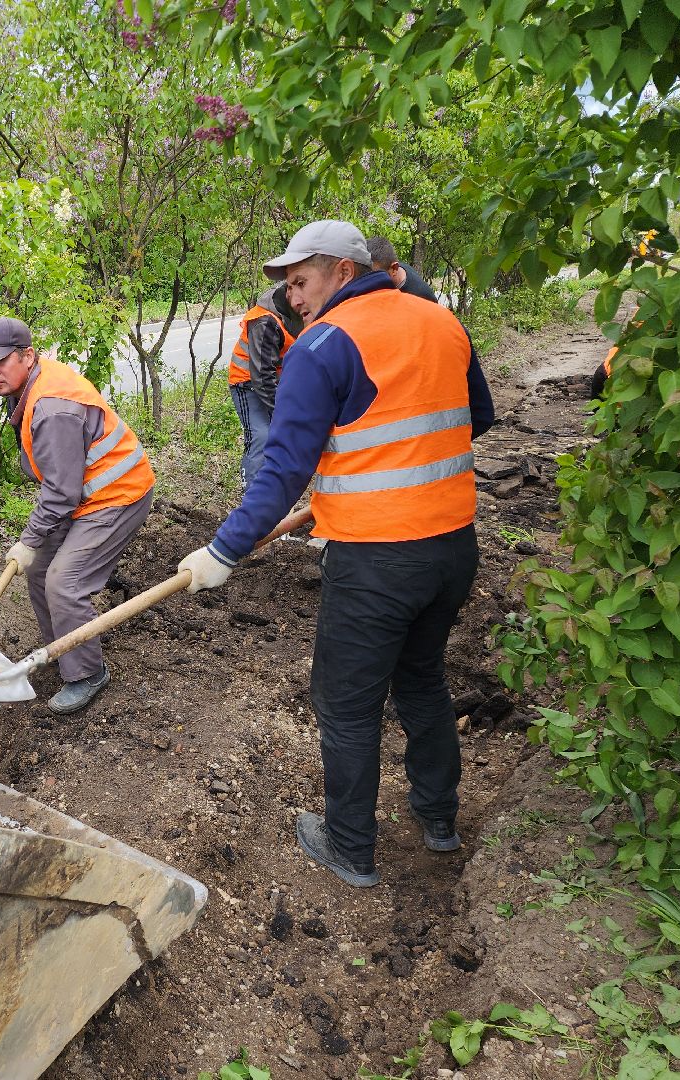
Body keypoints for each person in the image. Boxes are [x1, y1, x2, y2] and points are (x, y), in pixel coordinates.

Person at [177, 220, 495, 888]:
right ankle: (438, 819)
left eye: (300, 280)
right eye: (288, 286)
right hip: (453, 551)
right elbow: (475, 417)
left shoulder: (324, 345)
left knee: (347, 704)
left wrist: (224, 548)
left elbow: (282, 468)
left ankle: (350, 846)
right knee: (422, 679)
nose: (292, 297)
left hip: (378, 561)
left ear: (343, 273)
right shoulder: (442, 323)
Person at [0, 316, 155, 715]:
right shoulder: (31, 383)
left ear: (27, 356)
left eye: (0, 361)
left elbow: (60, 493)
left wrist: (28, 540)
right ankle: (64, 647)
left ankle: (87, 672)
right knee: (37, 570)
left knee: (63, 581)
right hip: (83, 495)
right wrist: (32, 548)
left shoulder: (53, 408)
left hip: (117, 496)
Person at [228, 284, 303, 486]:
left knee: (284, 433)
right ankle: (251, 493)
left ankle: (277, 486)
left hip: (277, 381)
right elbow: (262, 376)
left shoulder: (304, 308)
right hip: (247, 382)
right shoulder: (264, 322)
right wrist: (281, 412)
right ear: (289, 292)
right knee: (261, 435)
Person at [365, 236, 440, 304]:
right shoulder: (386, 264)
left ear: (394, 269)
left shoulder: (421, 297)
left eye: (375, 276)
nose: (369, 282)